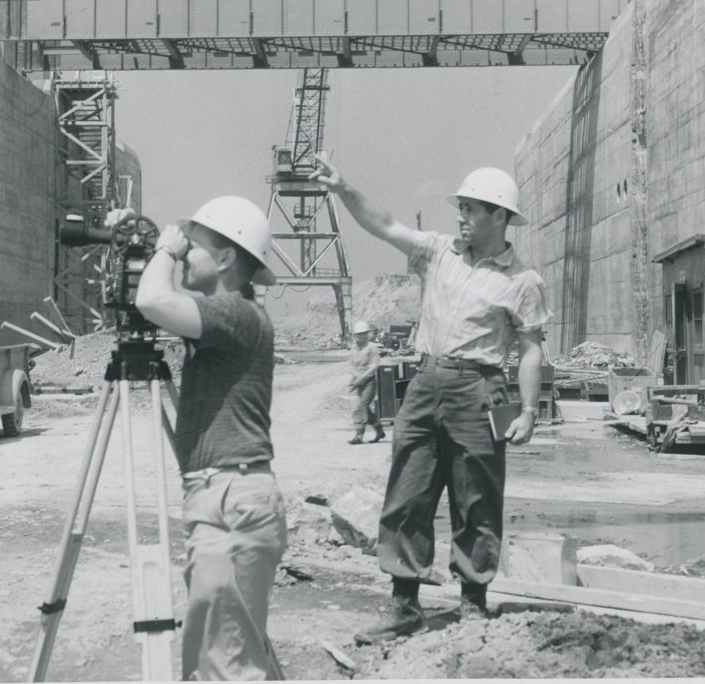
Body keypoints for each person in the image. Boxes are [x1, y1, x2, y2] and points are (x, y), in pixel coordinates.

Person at [310, 156, 550, 642]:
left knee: (477, 497)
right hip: (425, 383)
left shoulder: (523, 281)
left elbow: (530, 348)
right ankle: (404, 606)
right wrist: (345, 187)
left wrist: (527, 411)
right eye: (459, 206)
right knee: (408, 492)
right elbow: (385, 224)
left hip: (480, 389)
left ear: (499, 216)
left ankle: (472, 604)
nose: (460, 216)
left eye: (471, 209)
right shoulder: (437, 252)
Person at [128, 196, 288, 680]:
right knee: (218, 657)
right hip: (224, 497)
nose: (182, 257)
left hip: (230, 500)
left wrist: (161, 253)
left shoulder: (234, 315)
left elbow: (152, 300)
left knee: (226, 668)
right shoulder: (223, 319)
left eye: (193, 249)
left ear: (225, 259)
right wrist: (136, 236)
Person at [347, 320, 385, 445]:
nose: (358, 337)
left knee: (361, 406)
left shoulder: (372, 348)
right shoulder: (354, 349)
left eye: (361, 334)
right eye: (356, 335)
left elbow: (374, 366)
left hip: (369, 382)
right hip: (359, 383)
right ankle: (379, 430)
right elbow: (351, 365)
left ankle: (359, 435)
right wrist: (356, 377)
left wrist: (362, 377)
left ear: (366, 334)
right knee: (366, 409)